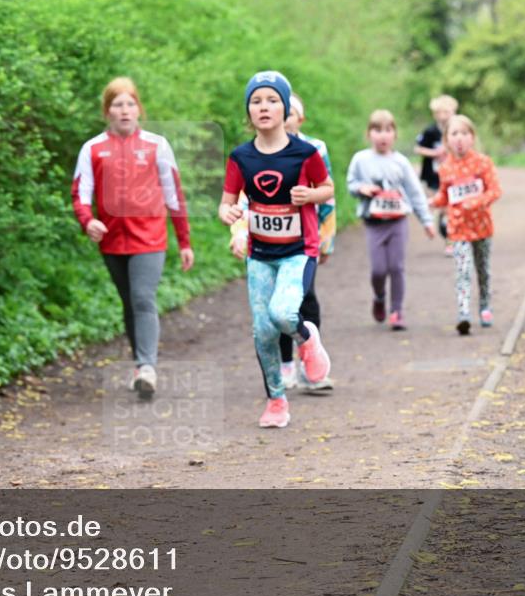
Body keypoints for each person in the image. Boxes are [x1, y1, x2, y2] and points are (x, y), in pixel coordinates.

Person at [219, 71, 333, 429]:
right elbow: (225, 204)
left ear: (286, 108)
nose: (264, 107)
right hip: (260, 254)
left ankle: (307, 337)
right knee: (262, 330)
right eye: (256, 101)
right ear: (248, 112)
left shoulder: (306, 153)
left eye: (272, 100)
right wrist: (230, 214)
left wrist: (310, 195)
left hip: (299, 250)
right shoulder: (240, 157)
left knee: (283, 313)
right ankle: (276, 400)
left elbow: (328, 189)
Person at [72, 77, 193, 399]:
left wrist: (184, 241)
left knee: (142, 298)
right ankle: (141, 365)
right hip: (112, 241)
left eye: (130, 103)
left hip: (150, 238)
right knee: (129, 302)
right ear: (107, 111)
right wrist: (88, 221)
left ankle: (147, 367)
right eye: (117, 104)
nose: (124, 110)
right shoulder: (93, 149)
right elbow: (81, 194)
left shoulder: (157, 145)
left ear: (139, 108)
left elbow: (174, 195)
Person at [347, 109, 436, 331]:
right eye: (377, 130)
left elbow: (415, 192)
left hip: (398, 222)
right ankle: (379, 296)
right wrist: (361, 188)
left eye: (388, 130)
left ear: (395, 135)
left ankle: (396, 311)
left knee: (396, 267)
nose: (383, 135)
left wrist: (426, 220)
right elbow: (351, 184)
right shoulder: (361, 160)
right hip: (374, 223)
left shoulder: (401, 162)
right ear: (369, 134)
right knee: (378, 269)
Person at [428, 114, 502, 335]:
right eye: (454, 134)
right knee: (462, 271)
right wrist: (432, 202)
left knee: (483, 270)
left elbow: (495, 191)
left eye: (464, 133)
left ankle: (485, 306)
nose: (459, 139)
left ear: (472, 137)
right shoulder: (445, 168)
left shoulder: (483, 163)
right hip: (457, 229)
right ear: (446, 139)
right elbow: (445, 196)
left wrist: (475, 202)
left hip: (482, 227)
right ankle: (464, 314)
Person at [415, 95, 458, 256]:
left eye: (446, 112)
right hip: (433, 176)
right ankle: (440, 228)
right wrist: (434, 153)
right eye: (439, 113)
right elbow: (418, 148)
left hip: (453, 176)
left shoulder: (457, 130)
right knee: (439, 207)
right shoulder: (430, 131)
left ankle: (450, 241)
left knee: (449, 209)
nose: (443, 116)